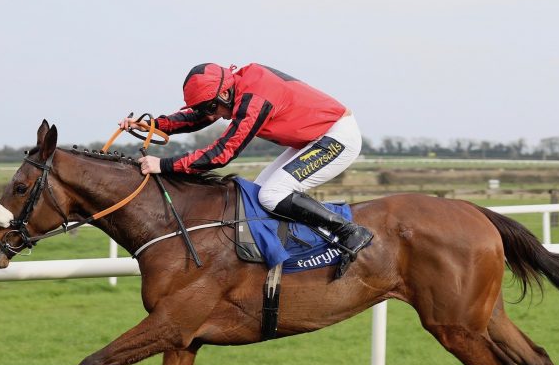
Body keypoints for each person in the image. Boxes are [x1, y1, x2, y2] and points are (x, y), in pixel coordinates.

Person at [119, 62, 373, 265]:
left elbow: (223, 154)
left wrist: (164, 165)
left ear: (225, 93)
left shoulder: (255, 99)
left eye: (212, 107)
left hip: (336, 138)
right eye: (206, 108)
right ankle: (290, 248)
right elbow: (199, 116)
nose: (211, 115)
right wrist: (153, 126)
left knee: (272, 195)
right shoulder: (235, 89)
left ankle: (349, 232)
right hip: (312, 139)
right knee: (259, 193)